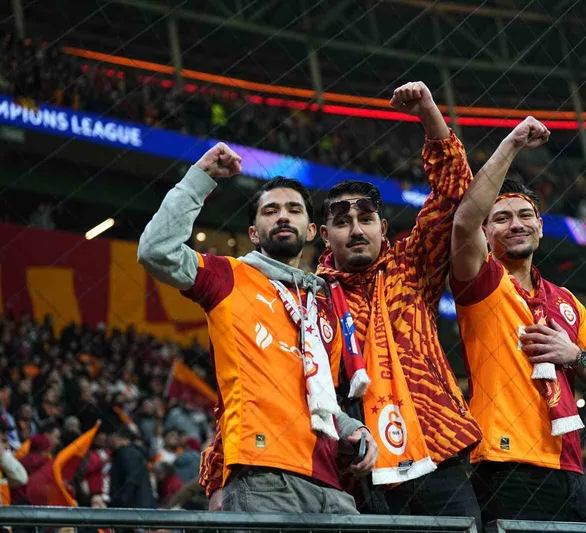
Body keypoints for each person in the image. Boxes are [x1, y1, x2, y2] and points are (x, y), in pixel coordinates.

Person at [199, 81, 483, 525]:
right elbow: (266, 379)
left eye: (365, 218)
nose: (355, 229)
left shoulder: (414, 267)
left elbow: (453, 194)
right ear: (323, 234)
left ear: (383, 228)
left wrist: (429, 114)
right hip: (361, 470)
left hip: (439, 455)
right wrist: (218, 474)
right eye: (342, 221)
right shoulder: (308, 298)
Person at [138, 142, 377, 514]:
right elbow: (157, 251)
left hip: (331, 484)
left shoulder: (324, 306)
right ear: (253, 232)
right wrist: (200, 178)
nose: (282, 217)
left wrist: (352, 429)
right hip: (263, 475)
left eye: (293, 210)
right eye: (270, 210)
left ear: (311, 231)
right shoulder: (227, 277)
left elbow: (320, 399)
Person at [449, 116, 586, 523]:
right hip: (504, 464)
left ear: (540, 228)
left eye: (525, 215)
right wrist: (511, 143)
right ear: (486, 233)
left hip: (569, 469)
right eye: (501, 218)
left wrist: (574, 355)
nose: (516, 224)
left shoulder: (566, 301)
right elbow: (463, 221)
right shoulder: (482, 283)